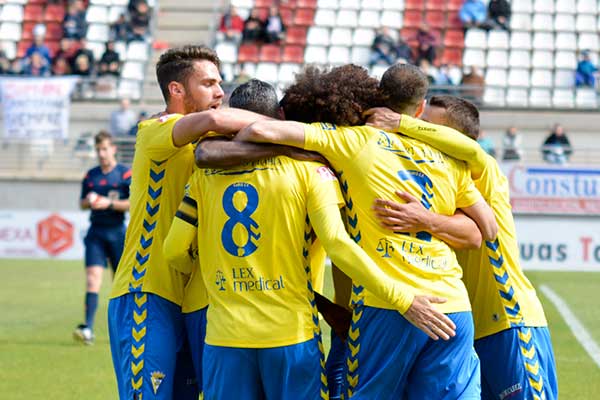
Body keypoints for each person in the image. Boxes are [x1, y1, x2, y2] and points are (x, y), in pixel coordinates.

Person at [164, 76, 439, 400]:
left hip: (225, 336)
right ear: (281, 116)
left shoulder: (204, 177)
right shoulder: (310, 170)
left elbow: (174, 250)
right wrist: (403, 299)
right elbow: (337, 244)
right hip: (291, 335)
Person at [234, 63, 498, 399]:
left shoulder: (352, 142)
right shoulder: (446, 156)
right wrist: (428, 218)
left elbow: (264, 131)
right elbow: (486, 228)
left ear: (377, 99)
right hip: (452, 305)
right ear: (420, 108)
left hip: (388, 305)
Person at [367, 95, 558, 400]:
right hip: (463, 328)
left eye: (427, 126)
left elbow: (478, 230)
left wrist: (399, 122)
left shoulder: (484, 171)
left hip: (508, 321)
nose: (417, 129)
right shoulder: (438, 175)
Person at [107, 45, 268, 400]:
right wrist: (287, 128)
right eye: (209, 83)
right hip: (147, 292)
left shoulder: (209, 141)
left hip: (194, 299)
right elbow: (213, 119)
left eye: (220, 83)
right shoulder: (154, 131)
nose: (220, 92)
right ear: (176, 90)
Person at [73, 131, 131, 345]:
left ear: (113, 149)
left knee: (120, 284)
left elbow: (133, 203)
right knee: (92, 279)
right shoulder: (91, 176)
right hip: (96, 233)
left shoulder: (124, 174)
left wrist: (109, 203)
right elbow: (81, 203)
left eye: (105, 149)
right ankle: (87, 327)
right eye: (98, 150)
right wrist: (90, 200)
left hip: (117, 233)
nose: (101, 154)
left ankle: (126, 327)